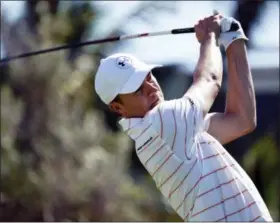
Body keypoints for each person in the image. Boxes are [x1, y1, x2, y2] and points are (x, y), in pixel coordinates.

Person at [94, 14, 273, 222]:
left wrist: (234, 39)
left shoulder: (172, 131)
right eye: (137, 90)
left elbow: (242, 120)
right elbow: (209, 79)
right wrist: (210, 36)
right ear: (118, 108)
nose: (151, 89)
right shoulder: (161, 122)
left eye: (148, 77)